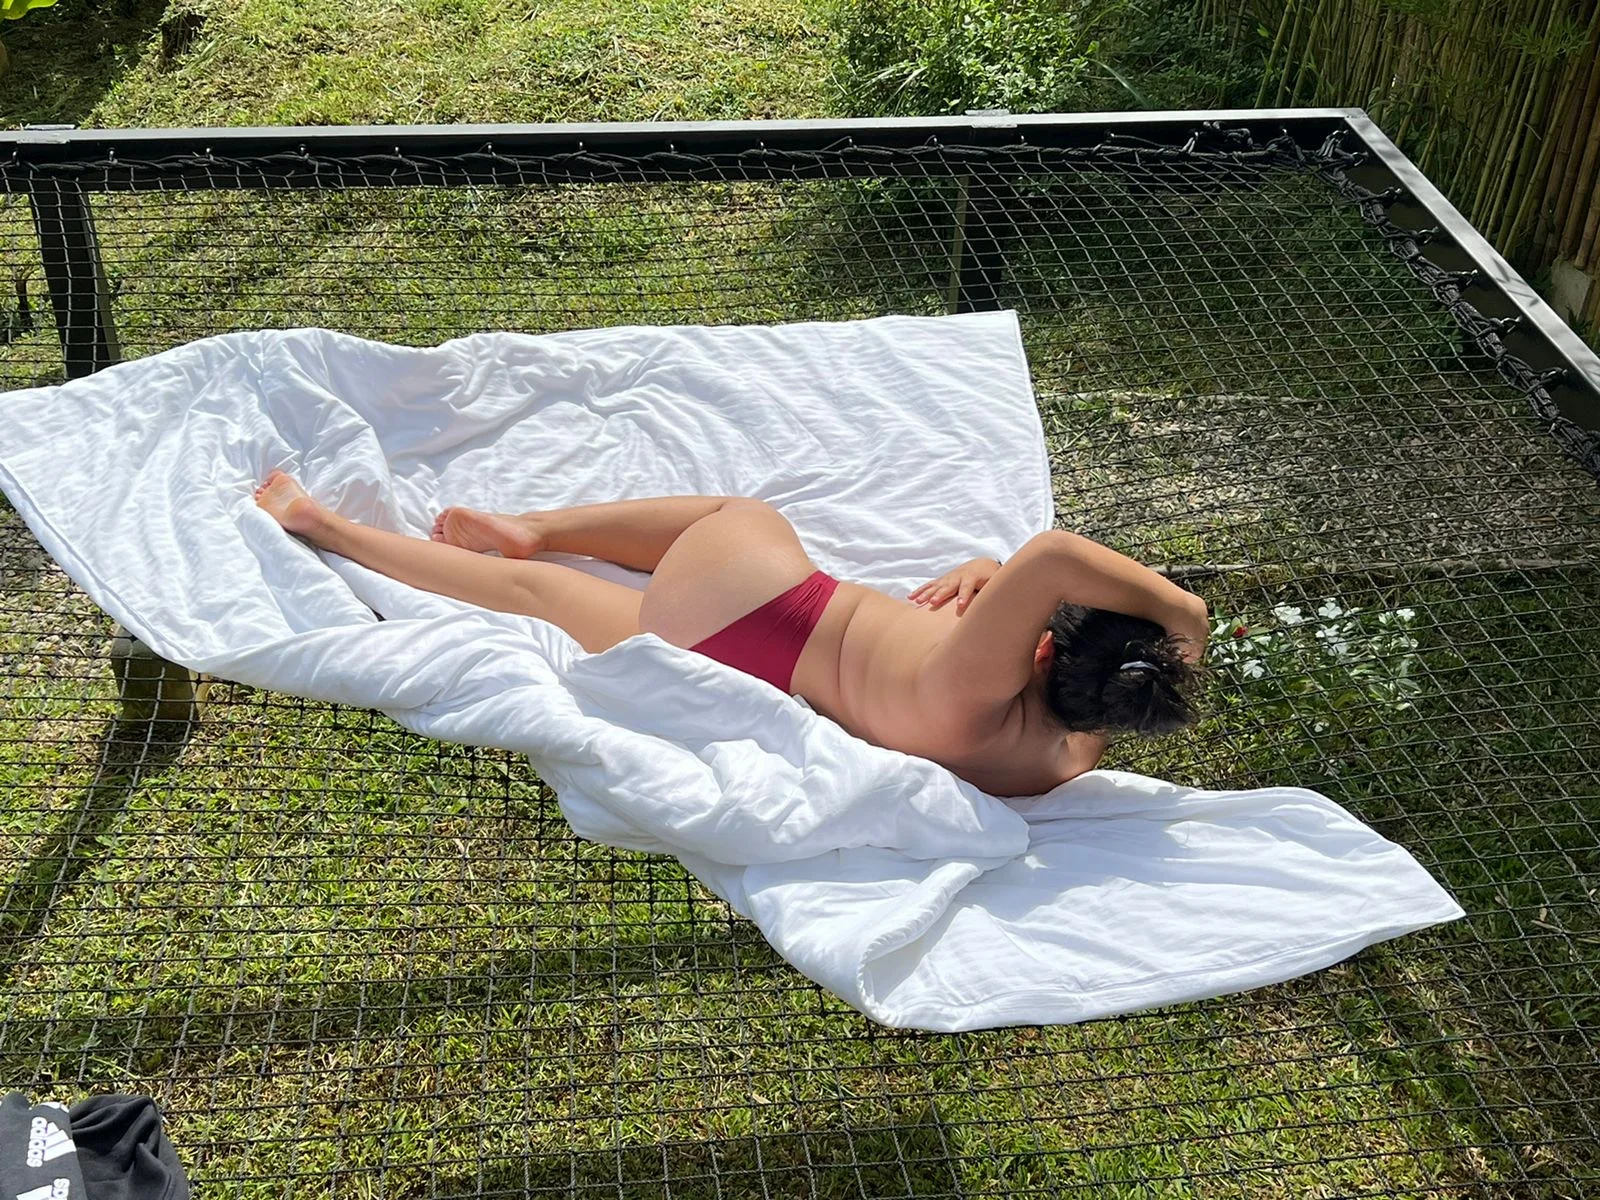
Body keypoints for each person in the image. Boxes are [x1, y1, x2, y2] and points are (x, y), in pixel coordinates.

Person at [255, 471, 1208, 797]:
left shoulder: (976, 676)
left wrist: (1185, 615)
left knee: (739, 512)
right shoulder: (1055, 758)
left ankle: (540, 523)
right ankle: (327, 529)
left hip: (765, 602)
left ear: (1037, 646)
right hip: (732, 660)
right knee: (532, 594)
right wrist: (986, 576)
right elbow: (1029, 615)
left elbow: (1051, 557)